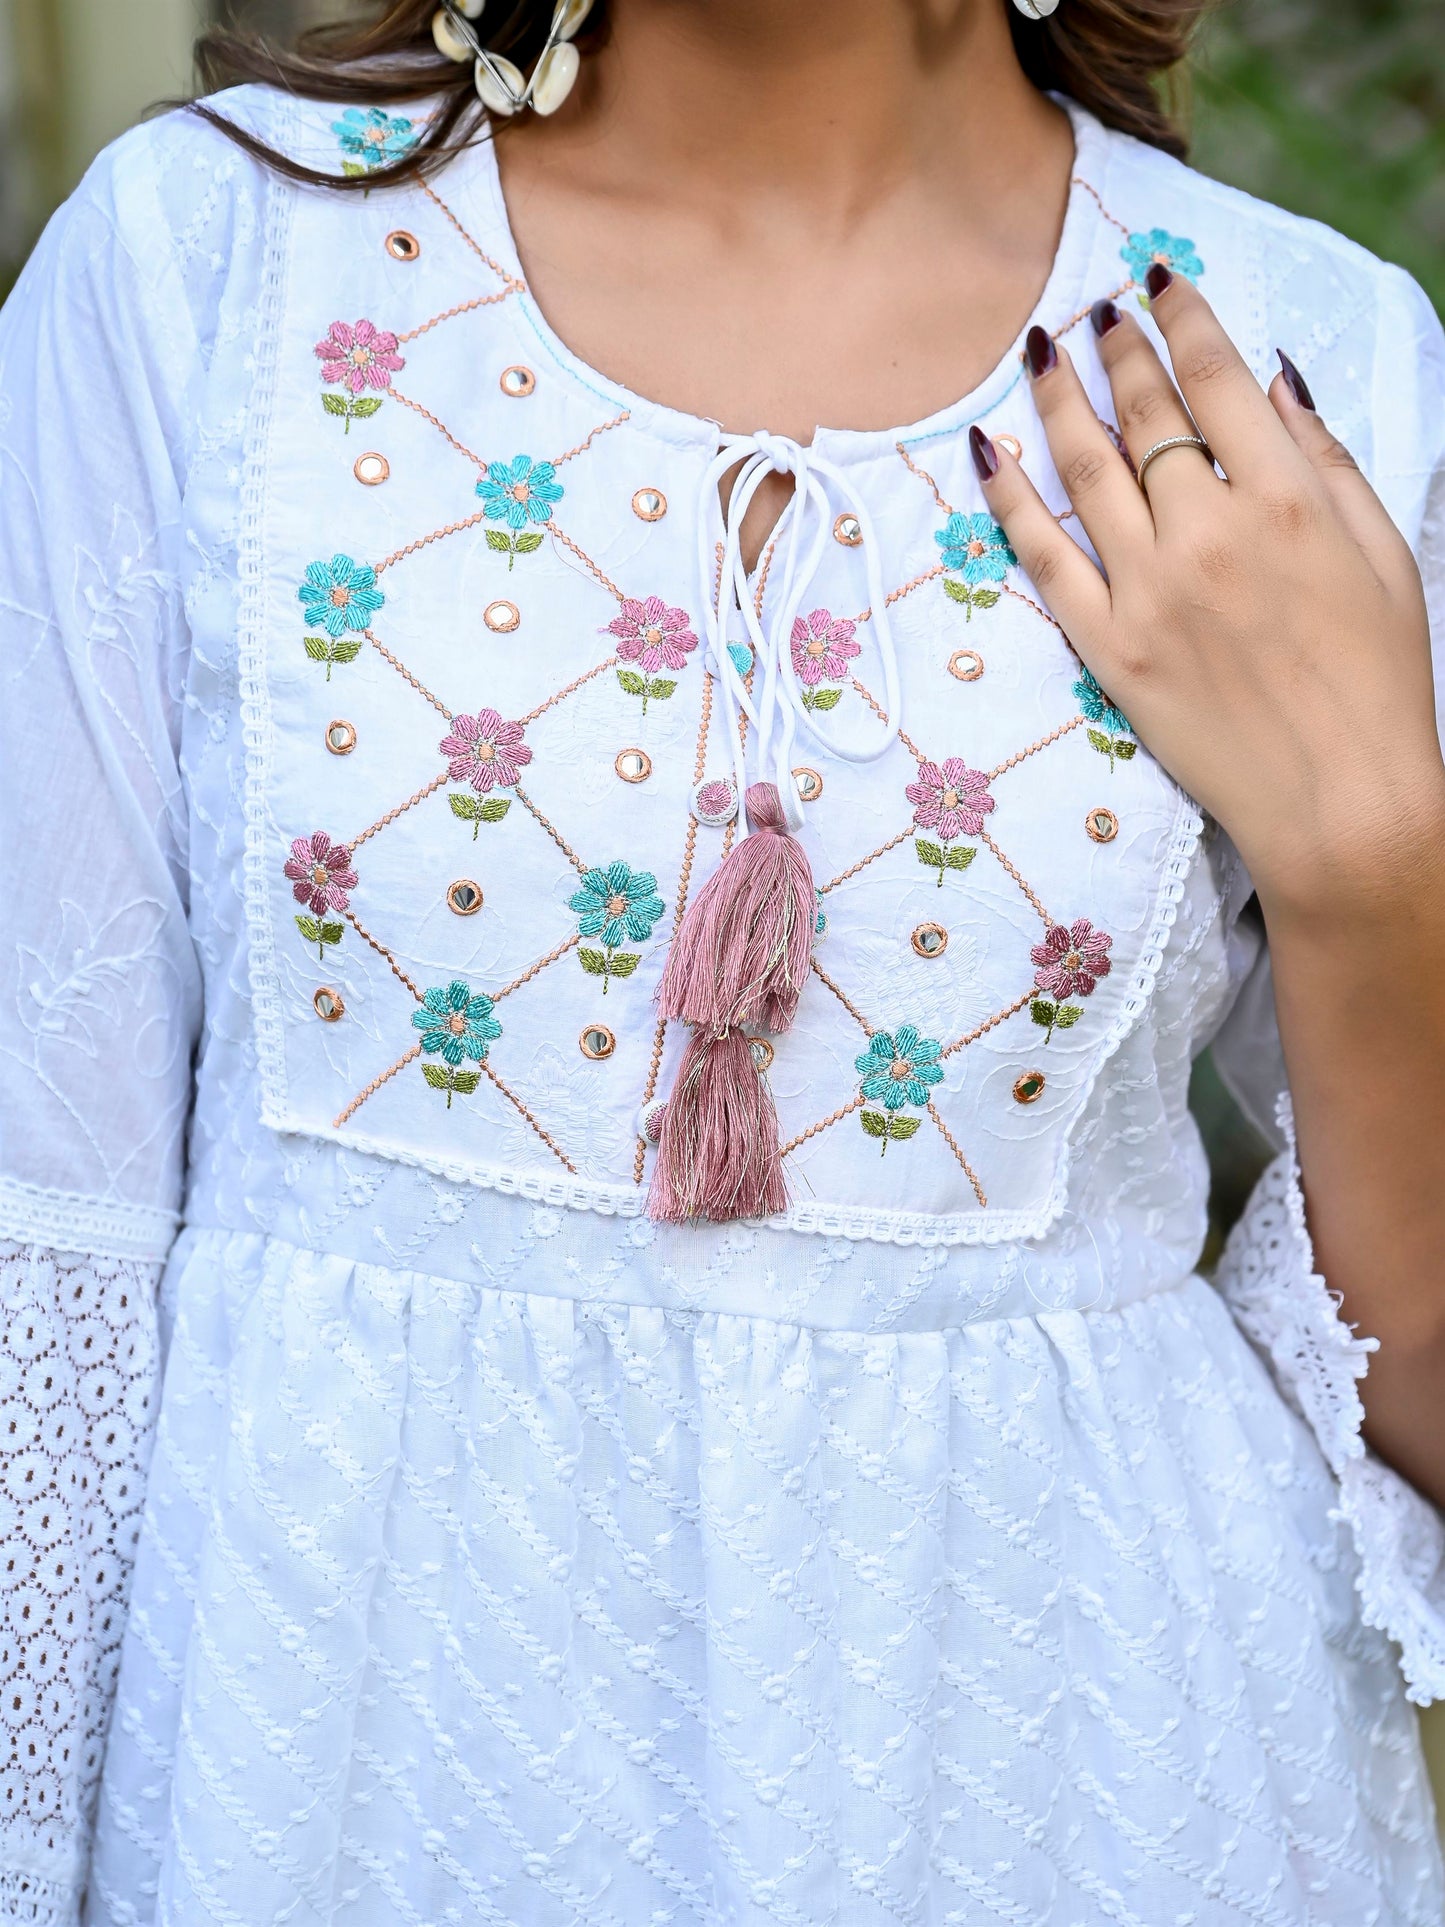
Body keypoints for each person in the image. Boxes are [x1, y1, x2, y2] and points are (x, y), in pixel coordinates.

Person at [1, 0, 1442, 1919]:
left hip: (1084, 1785)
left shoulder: (1295, 368)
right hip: (333, 1777)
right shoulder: (203, 266)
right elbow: (47, 1255)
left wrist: (1372, 871)